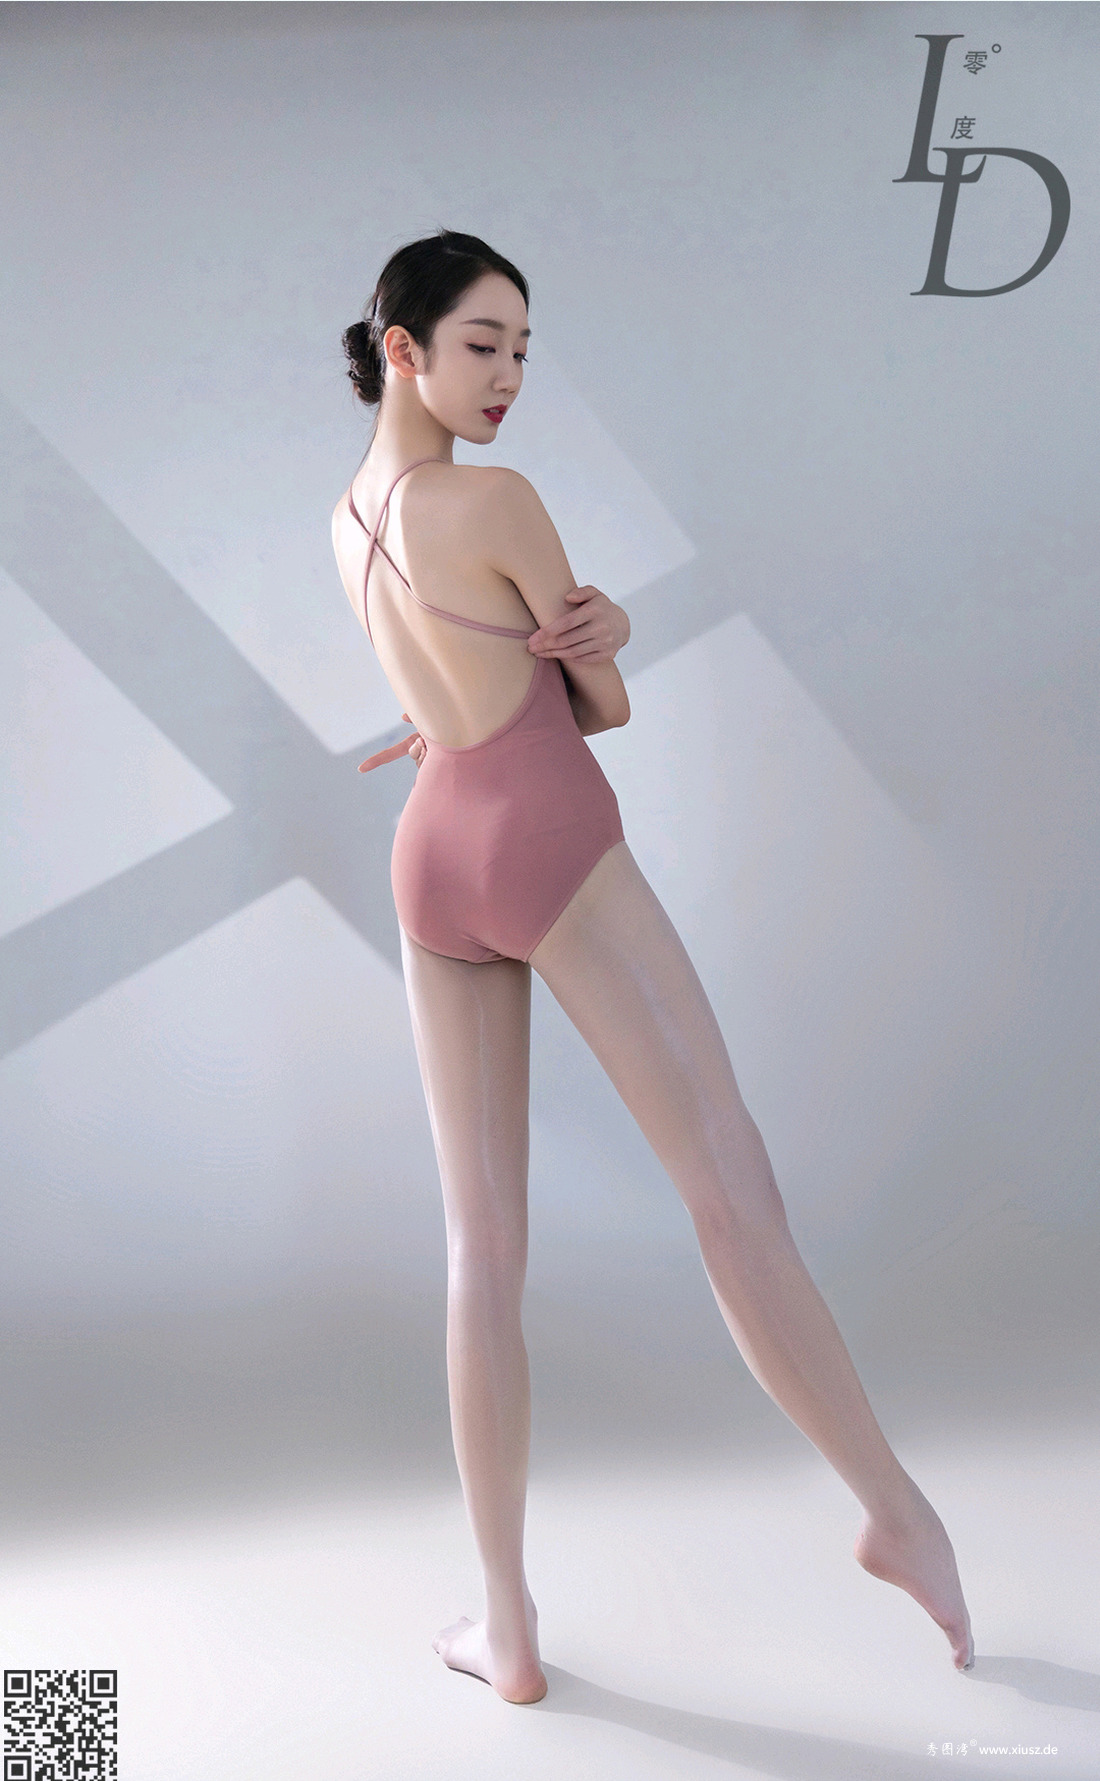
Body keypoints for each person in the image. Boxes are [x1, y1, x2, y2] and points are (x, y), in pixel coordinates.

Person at [330, 228, 974, 1706]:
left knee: (480, 1247)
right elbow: (599, 701)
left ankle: (506, 1626)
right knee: (730, 1189)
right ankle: (897, 1512)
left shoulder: (346, 517)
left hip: (432, 852)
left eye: (523, 350)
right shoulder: (496, 499)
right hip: (544, 834)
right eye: (483, 344)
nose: (509, 375)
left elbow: (454, 688)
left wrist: (524, 666)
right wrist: (608, 631)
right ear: (404, 347)